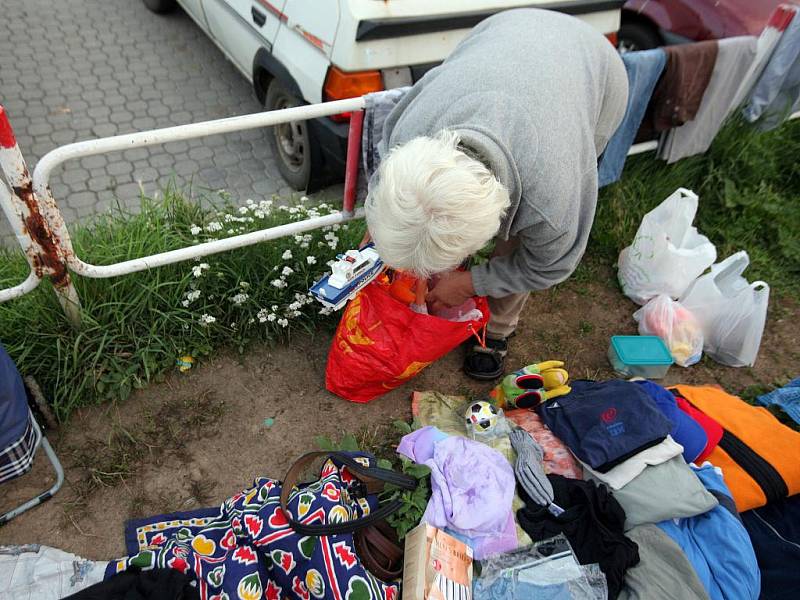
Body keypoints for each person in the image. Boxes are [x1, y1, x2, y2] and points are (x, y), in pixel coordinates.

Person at [364, 8, 628, 380]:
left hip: (594, 64)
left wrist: (472, 282)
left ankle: (497, 327)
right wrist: (376, 236)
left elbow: (548, 265)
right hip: (505, 29)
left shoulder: (552, 200)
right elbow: (384, 185)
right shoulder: (411, 132)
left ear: (494, 225)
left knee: (523, 245)